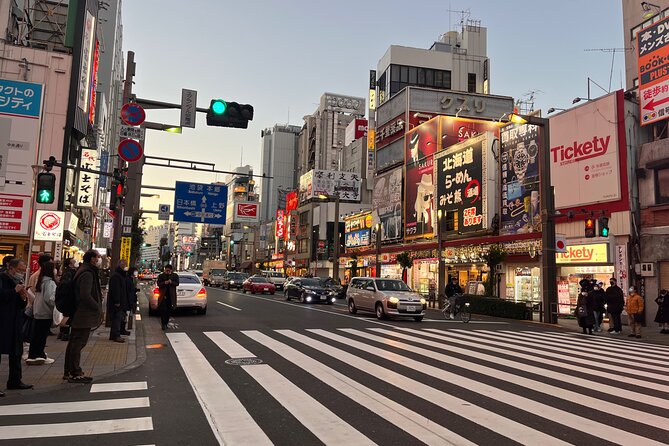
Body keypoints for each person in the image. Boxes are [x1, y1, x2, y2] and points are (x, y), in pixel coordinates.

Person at [64, 250, 103, 383]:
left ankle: (69, 371)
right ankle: (75, 372)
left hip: (80, 312)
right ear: (92, 259)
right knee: (78, 342)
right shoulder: (87, 273)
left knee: (74, 342)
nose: (99, 259)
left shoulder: (83, 270)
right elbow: (85, 295)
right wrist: (97, 306)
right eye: (98, 257)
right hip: (83, 313)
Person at [0, 258, 33, 395]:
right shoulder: (2, 279)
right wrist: (14, 290)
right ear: (11, 268)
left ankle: (15, 381)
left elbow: (20, 305)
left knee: (16, 352)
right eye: (19, 270)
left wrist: (23, 298)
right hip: (2, 321)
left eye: (23, 271)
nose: (21, 273)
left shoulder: (17, 281)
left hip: (15, 321)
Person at [26, 260, 57, 365]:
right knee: (41, 336)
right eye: (54, 268)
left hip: (38, 311)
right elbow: (50, 298)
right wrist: (57, 305)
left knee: (36, 335)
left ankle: (33, 355)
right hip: (45, 312)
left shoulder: (40, 280)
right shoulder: (49, 282)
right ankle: (40, 355)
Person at [107, 259, 128, 343]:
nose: (125, 266)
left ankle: (113, 335)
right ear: (120, 265)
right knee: (117, 319)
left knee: (117, 318)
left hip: (119, 301)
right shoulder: (117, 276)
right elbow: (116, 290)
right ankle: (116, 335)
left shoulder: (120, 275)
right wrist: (117, 301)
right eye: (124, 264)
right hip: (116, 302)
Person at [57, 258, 77, 341]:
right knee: (68, 315)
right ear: (70, 264)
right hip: (68, 296)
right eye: (73, 261)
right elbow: (68, 285)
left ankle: (62, 333)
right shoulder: (70, 273)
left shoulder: (66, 272)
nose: (75, 262)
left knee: (66, 315)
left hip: (64, 297)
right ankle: (65, 334)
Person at [157, 265, 179, 330]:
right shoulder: (161, 276)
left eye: (169, 270)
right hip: (163, 296)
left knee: (169, 311)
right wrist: (164, 282)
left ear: (171, 270)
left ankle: (166, 324)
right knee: (163, 310)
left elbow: (177, 283)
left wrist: (171, 282)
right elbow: (159, 284)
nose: (167, 271)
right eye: (166, 270)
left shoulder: (174, 276)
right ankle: (163, 324)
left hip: (171, 296)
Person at [122, 267, 139, 335]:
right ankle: (122, 329)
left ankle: (123, 329)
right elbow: (128, 290)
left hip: (129, 299)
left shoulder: (131, 279)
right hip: (127, 300)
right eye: (135, 271)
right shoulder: (128, 279)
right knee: (124, 315)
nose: (136, 273)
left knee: (125, 315)